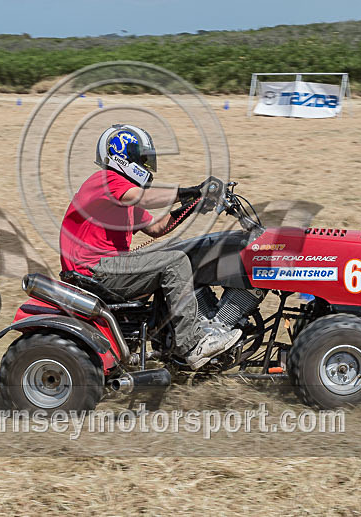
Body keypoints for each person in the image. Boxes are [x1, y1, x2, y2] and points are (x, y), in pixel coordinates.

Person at [59, 124, 241, 369]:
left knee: (180, 250)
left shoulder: (121, 194)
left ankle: (189, 326)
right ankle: (193, 344)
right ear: (124, 156)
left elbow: (158, 228)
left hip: (106, 267)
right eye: (143, 158)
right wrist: (193, 191)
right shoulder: (107, 180)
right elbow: (143, 197)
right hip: (94, 270)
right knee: (174, 262)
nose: (147, 166)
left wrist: (195, 204)